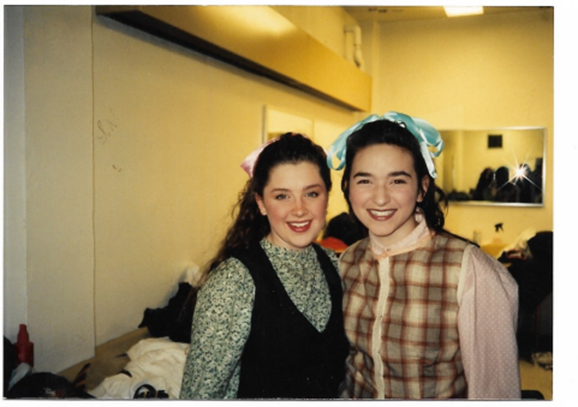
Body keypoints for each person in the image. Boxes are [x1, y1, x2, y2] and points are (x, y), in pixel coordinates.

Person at [326, 112, 520, 400]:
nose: (380, 198)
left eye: (397, 181)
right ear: (347, 188)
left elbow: (495, 391)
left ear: (422, 188)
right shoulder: (346, 262)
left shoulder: (470, 270)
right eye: (365, 181)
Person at [179, 133, 349, 399]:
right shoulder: (234, 282)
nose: (299, 209)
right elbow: (200, 395)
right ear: (261, 203)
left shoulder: (336, 265)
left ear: (327, 196)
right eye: (282, 196)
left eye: (311, 193)